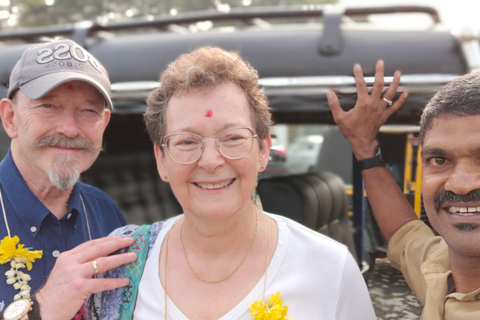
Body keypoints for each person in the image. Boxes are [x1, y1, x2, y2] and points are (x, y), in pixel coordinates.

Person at [86, 46, 376, 320]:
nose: (211, 161)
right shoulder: (118, 266)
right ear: (161, 159)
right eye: (187, 141)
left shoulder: (330, 269)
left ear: (263, 150)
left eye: (233, 138)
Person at [327, 60, 480, 319]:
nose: (461, 184)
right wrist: (364, 148)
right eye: (440, 160)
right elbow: (404, 232)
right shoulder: (439, 270)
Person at [0, 39, 136, 319]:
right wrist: (44, 307)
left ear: (105, 123)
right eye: (49, 105)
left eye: (88, 111)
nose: (70, 129)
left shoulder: (105, 212)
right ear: (10, 118)